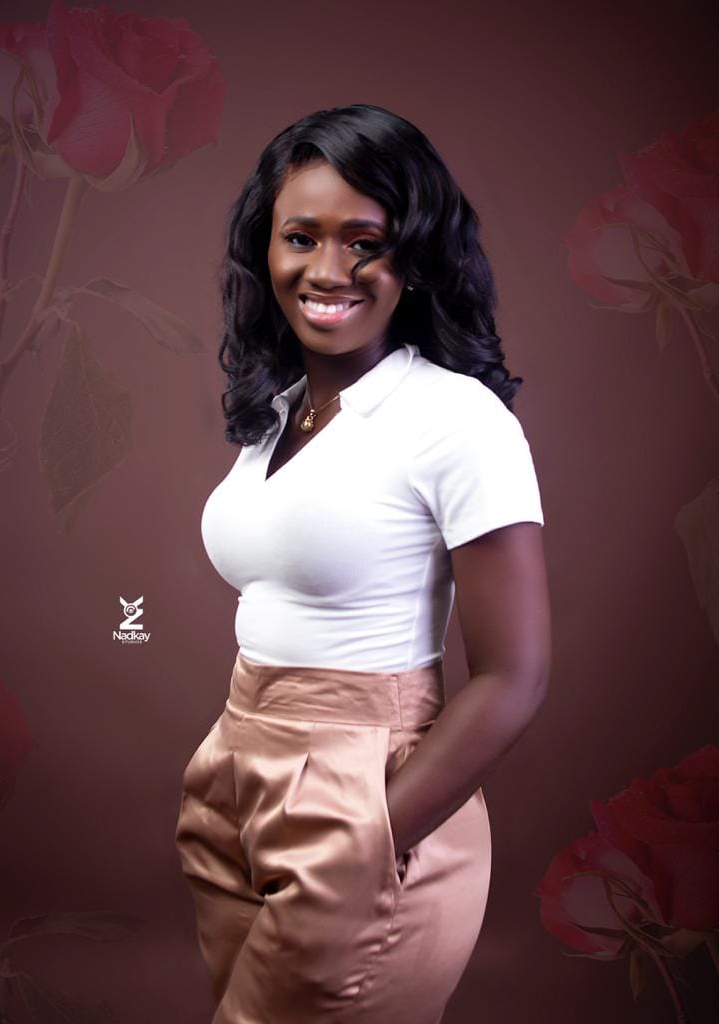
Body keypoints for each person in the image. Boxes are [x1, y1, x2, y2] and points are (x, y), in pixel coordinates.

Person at [175, 103, 552, 1024]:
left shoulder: (459, 420)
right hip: (233, 778)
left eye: (365, 241)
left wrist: (372, 832)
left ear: (415, 256)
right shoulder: (276, 413)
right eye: (300, 236)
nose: (328, 270)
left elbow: (515, 674)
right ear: (264, 251)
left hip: (369, 785)